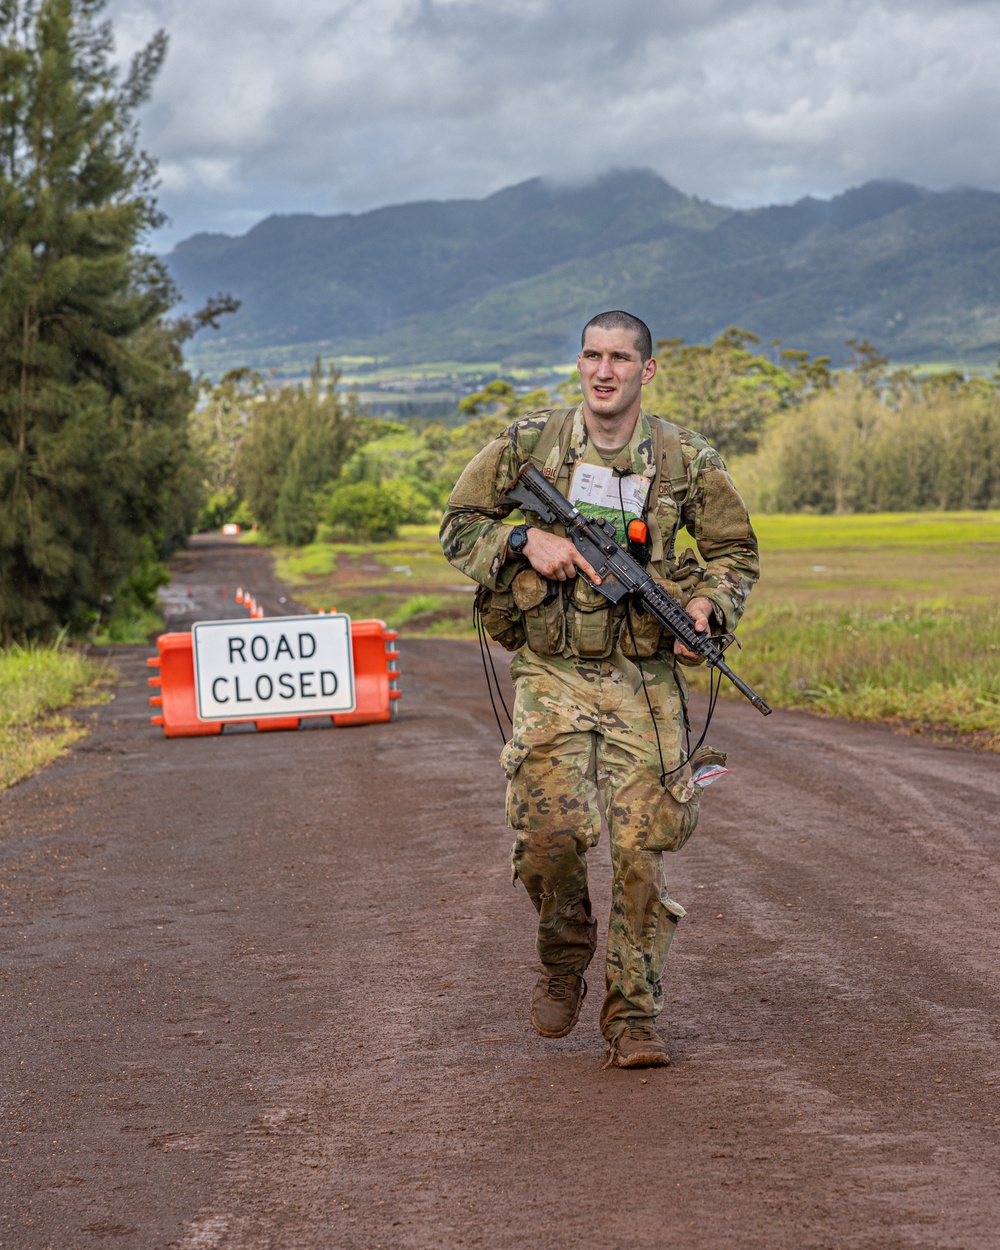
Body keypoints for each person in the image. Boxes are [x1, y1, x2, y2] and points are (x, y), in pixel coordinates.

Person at [439, 310, 760, 1068]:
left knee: (643, 847)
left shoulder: (685, 458)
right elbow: (458, 525)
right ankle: (563, 953)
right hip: (550, 672)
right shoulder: (528, 445)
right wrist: (524, 539)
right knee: (547, 839)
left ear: (647, 371)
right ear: (579, 364)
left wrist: (708, 607)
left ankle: (634, 1013)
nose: (603, 370)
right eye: (591, 356)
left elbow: (734, 552)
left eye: (620, 358)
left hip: (643, 680)